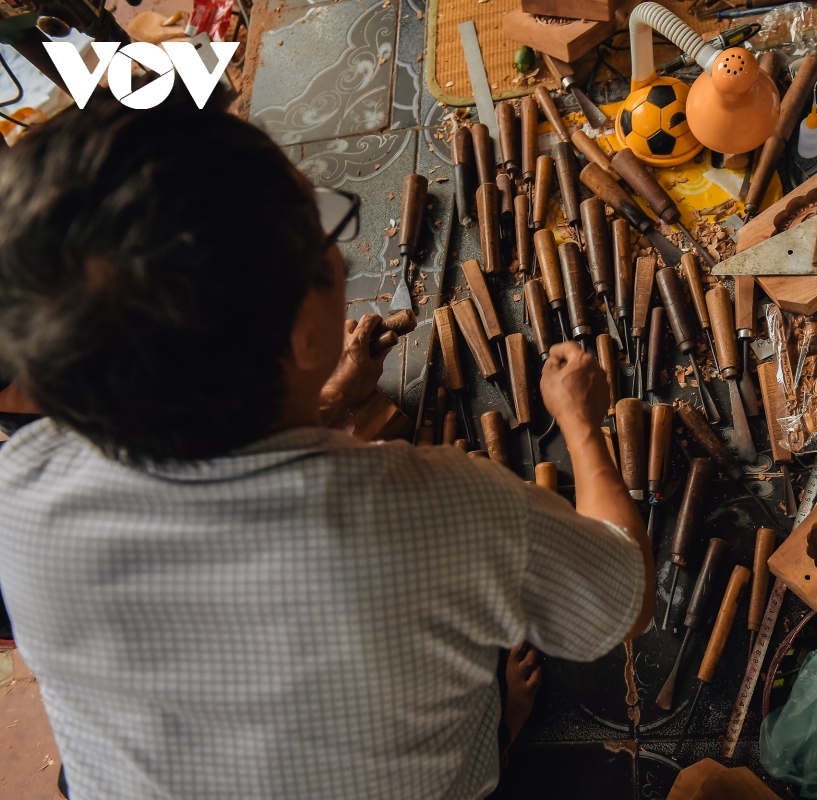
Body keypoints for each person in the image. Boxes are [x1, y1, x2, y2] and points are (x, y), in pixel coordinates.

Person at [0, 93, 654, 799]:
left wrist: (327, 396)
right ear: (306, 332)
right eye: (326, 236)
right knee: (472, 730)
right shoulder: (447, 509)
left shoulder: (17, 492)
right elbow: (623, 601)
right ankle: (502, 729)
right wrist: (582, 424)